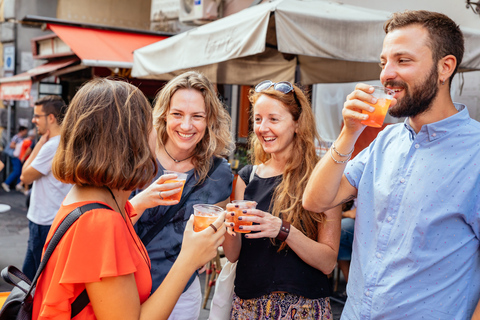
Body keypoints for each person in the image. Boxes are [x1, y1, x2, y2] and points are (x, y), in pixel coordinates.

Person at [303, 10, 480, 320]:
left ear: (445, 67)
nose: (386, 74)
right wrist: (348, 132)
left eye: (403, 60)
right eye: (383, 62)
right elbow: (316, 200)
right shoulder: (385, 142)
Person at [32, 78, 226, 319]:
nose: (156, 129)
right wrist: (189, 259)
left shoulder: (90, 199)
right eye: (149, 122)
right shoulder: (102, 223)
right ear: (129, 140)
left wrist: (140, 203)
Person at [222, 80, 342, 319]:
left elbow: (328, 262)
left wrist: (282, 229)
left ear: (297, 124)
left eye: (273, 119)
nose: (263, 128)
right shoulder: (247, 178)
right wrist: (227, 225)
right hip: (249, 308)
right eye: (258, 119)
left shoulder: (322, 179)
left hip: (303, 309)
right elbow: (233, 254)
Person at [130, 71, 234, 320]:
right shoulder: (137, 155)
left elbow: (216, 234)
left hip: (182, 294)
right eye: (177, 114)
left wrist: (209, 246)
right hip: (126, 283)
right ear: (164, 113)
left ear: (209, 120)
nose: (186, 126)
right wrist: (143, 201)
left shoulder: (219, 173)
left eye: (197, 116)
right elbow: (108, 226)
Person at [19, 95, 72, 281]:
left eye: (37, 116)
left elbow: (25, 176)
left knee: (30, 280)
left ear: (50, 118)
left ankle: (25, 311)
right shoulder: (66, 142)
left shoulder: (50, 146)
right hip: (54, 218)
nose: (34, 120)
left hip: (44, 221)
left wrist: (39, 144)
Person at [2, 125, 28, 192]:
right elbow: (11, 145)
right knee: (16, 170)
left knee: (19, 171)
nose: (26, 132)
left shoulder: (21, 137)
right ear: (22, 130)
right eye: (25, 131)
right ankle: (6, 183)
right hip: (15, 156)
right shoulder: (17, 137)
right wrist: (19, 146)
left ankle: (18, 185)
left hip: (18, 156)